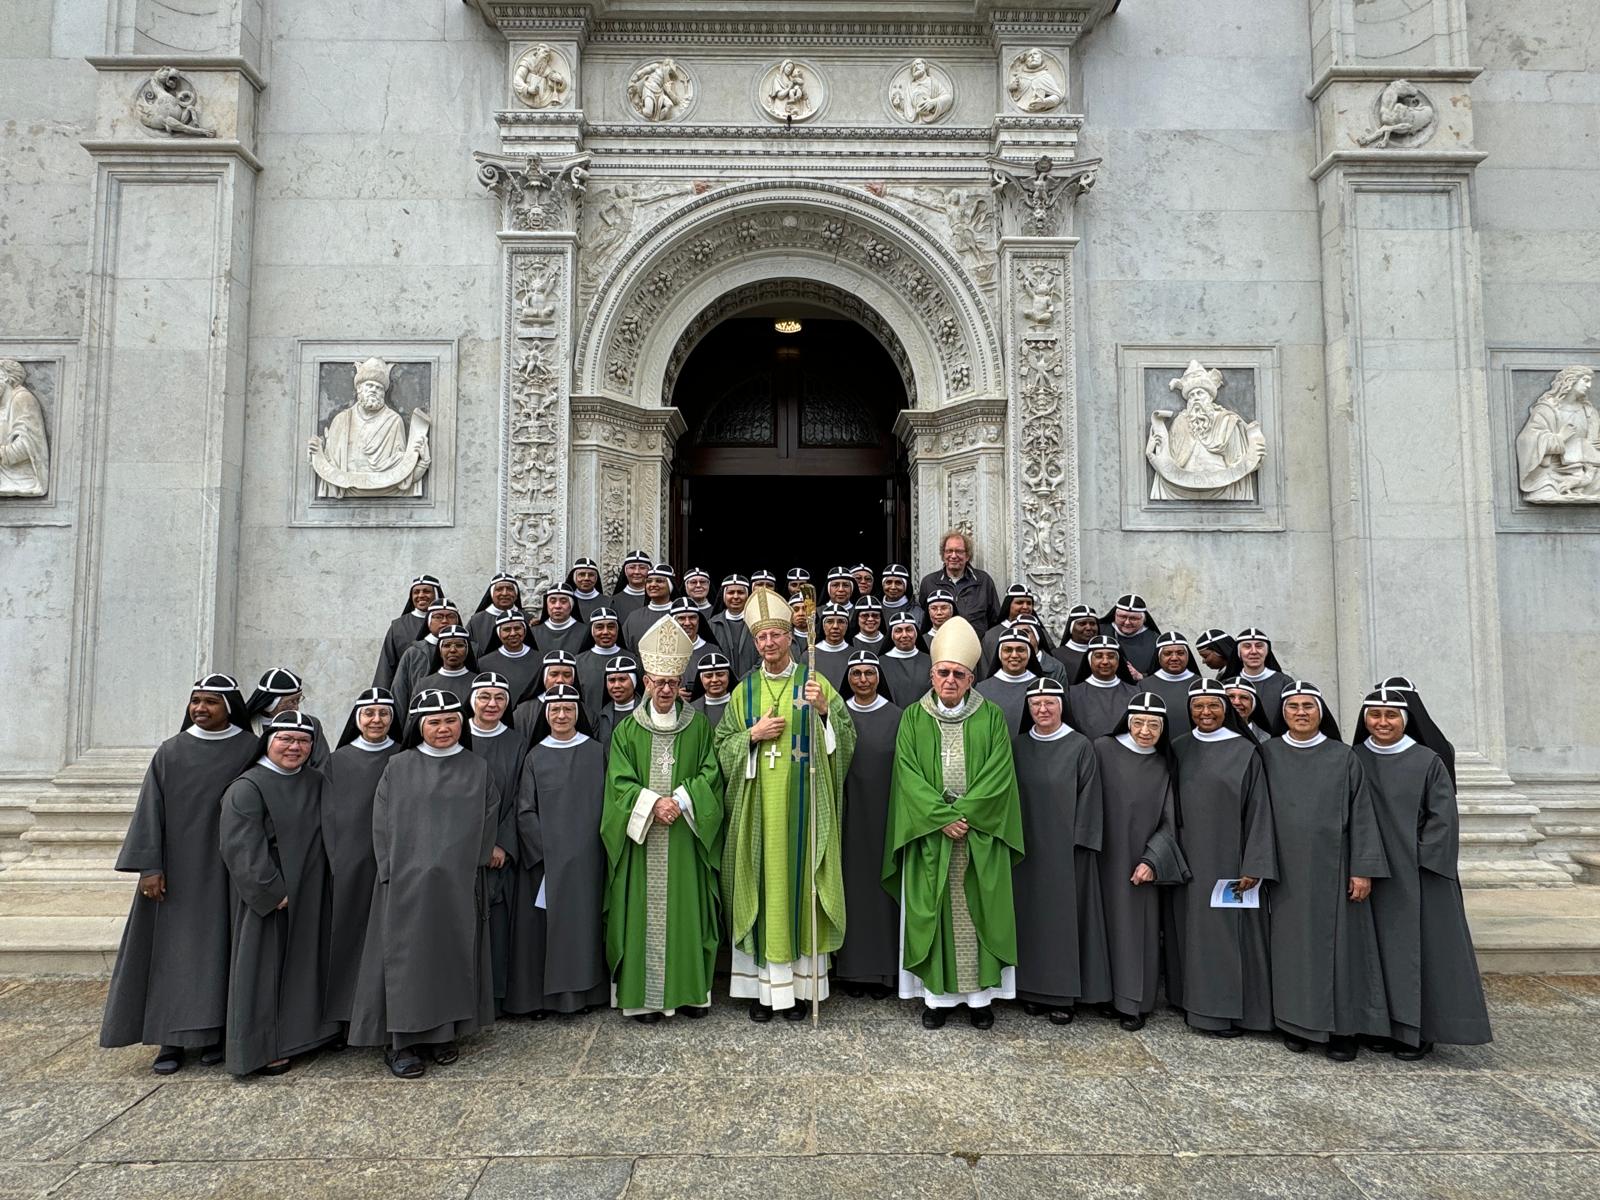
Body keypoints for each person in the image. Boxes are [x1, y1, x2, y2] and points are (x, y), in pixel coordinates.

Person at [100, 674, 257, 1074]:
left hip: (227, 869)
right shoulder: (171, 751)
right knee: (175, 954)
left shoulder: (249, 748)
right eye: (195, 701)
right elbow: (150, 811)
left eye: (210, 702)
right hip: (178, 872)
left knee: (222, 949)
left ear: (230, 707)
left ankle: (214, 1034)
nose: (201, 709)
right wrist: (150, 866)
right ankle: (170, 1039)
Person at [714, 586, 856, 1022]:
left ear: (790, 639)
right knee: (762, 889)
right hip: (759, 812)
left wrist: (827, 713)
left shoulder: (815, 684)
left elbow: (847, 742)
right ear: (755, 642)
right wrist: (751, 738)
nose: (769, 644)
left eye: (776, 636)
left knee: (800, 891)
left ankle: (799, 991)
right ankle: (765, 994)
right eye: (762, 638)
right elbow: (722, 748)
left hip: (804, 808)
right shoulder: (744, 692)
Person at [348, 690, 500, 1078]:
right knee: (406, 963)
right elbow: (381, 822)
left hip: (456, 882)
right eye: (433, 722)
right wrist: (390, 871)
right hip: (405, 882)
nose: (443, 728)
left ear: (460, 724)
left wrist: (472, 866)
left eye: (450, 721)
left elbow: (487, 818)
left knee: (450, 958)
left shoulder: (477, 767)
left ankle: (442, 1034)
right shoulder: (398, 766)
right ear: (419, 726)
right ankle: (401, 1043)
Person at [885, 617, 1022, 1029]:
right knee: (933, 910)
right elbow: (906, 774)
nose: (949, 680)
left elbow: (1000, 773)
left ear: (971, 678)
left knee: (980, 911)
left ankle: (980, 1001)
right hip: (930, 835)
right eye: (943, 672)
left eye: (957, 674)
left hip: (980, 836)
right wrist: (941, 818)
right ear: (932, 674)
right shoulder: (913, 717)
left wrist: (966, 815)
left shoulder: (992, 717)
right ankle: (936, 1000)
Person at [1354, 687, 1491, 1058]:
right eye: (1375, 715)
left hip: (1415, 874)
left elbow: (1442, 819)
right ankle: (1378, 1024)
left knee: (1419, 951)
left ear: (1406, 719)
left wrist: (1421, 862)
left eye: (1391, 716)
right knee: (1372, 951)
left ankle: (1418, 1030)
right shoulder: (1353, 759)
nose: (1382, 722)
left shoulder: (1426, 760)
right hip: (1364, 872)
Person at [602, 617, 726, 1021]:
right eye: (658, 682)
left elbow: (711, 772)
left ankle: (690, 993)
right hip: (644, 839)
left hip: (685, 837)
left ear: (681, 684)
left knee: (687, 913)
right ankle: (643, 999)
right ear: (645, 681)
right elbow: (619, 782)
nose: (666, 690)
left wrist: (682, 800)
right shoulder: (626, 731)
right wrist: (652, 804)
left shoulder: (699, 726)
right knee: (643, 914)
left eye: (672, 683)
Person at [1263, 682, 1390, 1061]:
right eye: (1293, 707)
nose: (1301, 713)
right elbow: (1255, 813)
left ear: (1321, 712)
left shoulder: (1344, 757)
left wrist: (1362, 870)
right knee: (1291, 950)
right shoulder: (1267, 753)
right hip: (1285, 870)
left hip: (1334, 870)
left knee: (1340, 952)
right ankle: (1294, 1023)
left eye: (1308, 706)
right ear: (1283, 713)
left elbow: (1363, 816)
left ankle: (1342, 1030)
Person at [219, 710, 339, 1076]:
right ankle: (262, 1048)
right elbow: (240, 847)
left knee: (307, 963)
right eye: (285, 740)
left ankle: (306, 1035)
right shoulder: (247, 787)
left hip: (312, 889)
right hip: (274, 895)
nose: (295, 747)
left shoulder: (316, 781)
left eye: (303, 741)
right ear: (268, 743)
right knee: (263, 970)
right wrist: (270, 891)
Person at [1167, 679, 1277, 1038]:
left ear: (1227, 709)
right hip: (1187, 860)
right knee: (1191, 936)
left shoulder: (1246, 751)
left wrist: (1255, 863)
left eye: (1213, 706)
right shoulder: (1180, 747)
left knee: (1229, 938)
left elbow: (1260, 810)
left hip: (1231, 863)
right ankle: (1192, 1005)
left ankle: (1230, 1012)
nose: (1205, 713)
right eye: (1198, 707)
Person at [506, 684, 610, 1017]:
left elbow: (611, 802)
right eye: (555, 710)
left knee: (587, 927)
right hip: (549, 862)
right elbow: (525, 810)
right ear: (546, 714)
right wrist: (546, 854)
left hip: (591, 858)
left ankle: (587, 996)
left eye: (568, 709)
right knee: (549, 932)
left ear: (577, 713)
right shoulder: (536, 756)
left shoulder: (597, 752)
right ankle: (551, 1000)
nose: (561, 715)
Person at [1011, 678, 1111, 1024]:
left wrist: (1080, 843)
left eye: (1049, 703)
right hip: (1025, 849)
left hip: (1067, 852)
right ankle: (1030, 989)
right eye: (1036, 704)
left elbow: (1090, 796)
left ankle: (1063, 995)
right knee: (1030, 919)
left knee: (1063, 923)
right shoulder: (1018, 745)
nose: (1042, 709)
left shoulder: (1080, 746)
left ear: (1062, 706)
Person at [1094, 694, 1189, 1030]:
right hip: (1100, 858)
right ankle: (1104, 995)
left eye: (1153, 725)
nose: (1145, 731)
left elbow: (1171, 819)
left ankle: (1134, 1003)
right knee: (1102, 928)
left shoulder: (1165, 764)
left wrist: (1152, 859)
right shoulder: (1102, 750)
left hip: (1138, 862)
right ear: (1127, 722)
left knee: (1137, 933)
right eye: (1138, 723)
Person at [322, 688, 401, 1032]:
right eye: (369, 714)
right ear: (357, 720)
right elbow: (324, 815)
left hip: (395, 859)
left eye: (384, 714)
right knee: (349, 934)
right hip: (350, 860)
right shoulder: (337, 761)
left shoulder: (403, 755)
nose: (377, 720)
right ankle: (344, 1015)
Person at [833, 651, 902, 998]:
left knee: (882, 890)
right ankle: (851, 971)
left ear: (879, 677)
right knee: (849, 889)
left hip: (886, 814)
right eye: (856, 674)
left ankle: (884, 971)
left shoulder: (898, 716)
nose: (863, 680)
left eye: (869, 674)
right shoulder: (835, 714)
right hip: (846, 815)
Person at [468, 672, 525, 1010]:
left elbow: (519, 796)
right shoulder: (458, 737)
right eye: (485, 696)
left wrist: (500, 843)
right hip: (460, 848)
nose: (492, 704)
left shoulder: (516, 742)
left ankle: (495, 996)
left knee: (498, 922)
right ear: (472, 699)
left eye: (499, 698)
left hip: (499, 852)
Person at [917, 530, 1001, 637]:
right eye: (949, 551)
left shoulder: (983, 581)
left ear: (967, 556)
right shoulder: (929, 582)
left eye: (959, 551)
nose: (953, 556)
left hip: (976, 649)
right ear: (943, 555)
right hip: (940, 648)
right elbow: (924, 621)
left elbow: (995, 620)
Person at [245, 667, 331, 769]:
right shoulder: (247, 727)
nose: (296, 707)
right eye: (291, 701)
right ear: (271, 703)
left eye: (298, 700)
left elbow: (323, 765)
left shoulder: (311, 725)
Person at [392, 598, 464, 713]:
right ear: (428, 621)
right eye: (438, 617)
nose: (445, 621)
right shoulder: (414, 653)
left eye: (450, 616)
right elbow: (400, 692)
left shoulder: (471, 650)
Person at [374, 574, 442, 687]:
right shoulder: (398, 626)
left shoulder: (448, 622)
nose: (421, 595)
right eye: (416, 592)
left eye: (426, 591)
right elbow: (386, 665)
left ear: (436, 594)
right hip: (408, 689)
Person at [1067, 635, 1139, 739]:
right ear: (1089, 660)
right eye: (1099, 656)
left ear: (1118, 661)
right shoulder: (1072, 694)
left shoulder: (1135, 692)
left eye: (1111, 656)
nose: (1105, 661)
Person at [975, 630, 1041, 732]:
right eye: (1008, 650)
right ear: (999, 654)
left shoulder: (1041, 688)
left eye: (1020, 650)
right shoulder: (982, 690)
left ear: (1029, 653)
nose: (1014, 655)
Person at [1231, 627, 1290, 735]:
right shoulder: (1228, 684)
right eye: (1247, 646)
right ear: (1239, 652)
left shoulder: (1284, 683)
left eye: (1259, 646)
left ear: (1267, 651)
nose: (1254, 651)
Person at [1141, 631, 1201, 737]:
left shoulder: (1200, 684)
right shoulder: (1143, 686)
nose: (1174, 658)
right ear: (1159, 657)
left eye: (1180, 653)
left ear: (1188, 656)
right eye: (1168, 654)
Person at [478, 608, 541, 703]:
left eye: (517, 628)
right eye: (507, 630)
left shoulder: (540, 660)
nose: (513, 633)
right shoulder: (483, 664)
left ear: (525, 630)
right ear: (498, 633)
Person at [511, 650, 578, 737]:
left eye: (567, 675)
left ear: (573, 679)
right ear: (544, 677)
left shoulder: (586, 713)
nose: (560, 680)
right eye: (554, 674)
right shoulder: (523, 712)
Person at [575, 607, 624, 723]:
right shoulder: (578, 662)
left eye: (611, 627)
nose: (606, 632)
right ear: (592, 631)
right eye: (599, 627)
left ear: (618, 630)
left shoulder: (632, 660)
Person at [1099, 594, 1160, 678]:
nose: (1127, 622)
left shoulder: (1155, 640)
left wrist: (1141, 676)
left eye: (1133, 618)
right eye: (1122, 617)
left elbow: (1162, 674)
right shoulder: (1099, 631)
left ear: (1144, 619)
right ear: (1115, 615)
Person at [412, 625, 478, 701]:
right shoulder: (423, 685)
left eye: (459, 645)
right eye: (447, 645)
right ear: (439, 650)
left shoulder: (478, 683)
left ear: (467, 651)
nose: (453, 650)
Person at [710, 574, 756, 679]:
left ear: (748, 595)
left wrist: (746, 678)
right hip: (721, 684)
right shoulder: (712, 625)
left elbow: (763, 656)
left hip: (752, 683)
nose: (735, 597)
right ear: (723, 595)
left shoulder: (758, 622)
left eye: (740, 592)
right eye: (731, 592)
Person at [621, 564, 677, 649]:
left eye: (659, 581)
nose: (653, 584)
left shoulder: (682, 616)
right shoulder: (634, 617)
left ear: (670, 585)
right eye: (649, 581)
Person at [881, 613, 931, 706]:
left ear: (916, 633)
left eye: (909, 630)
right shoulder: (881, 663)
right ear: (891, 635)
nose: (904, 635)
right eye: (898, 631)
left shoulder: (929, 661)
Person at [468, 572, 524, 656]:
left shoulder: (528, 619)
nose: (504, 593)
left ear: (516, 594)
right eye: (499, 589)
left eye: (509, 589)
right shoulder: (476, 621)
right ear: (491, 594)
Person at [596, 653, 640, 746]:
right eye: (612, 680)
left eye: (622, 679)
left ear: (634, 682)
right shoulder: (602, 717)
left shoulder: (647, 711)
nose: (616, 686)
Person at [532, 584, 585, 655]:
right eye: (553, 601)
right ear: (547, 605)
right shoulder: (533, 633)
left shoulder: (585, 632)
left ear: (571, 605)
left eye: (563, 602)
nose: (557, 606)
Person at [812, 601, 855, 690]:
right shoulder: (809, 655)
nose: (835, 626)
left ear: (847, 626)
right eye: (830, 621)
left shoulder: (855, 655)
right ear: (823, 626)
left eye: (841, 622)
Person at [1055, 603, 1102, 680]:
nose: (1089, 628)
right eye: (1082, 624)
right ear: (1071, 628)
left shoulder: (1106, 654)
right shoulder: (1056, 655)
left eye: (1092, 624)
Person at [1221, 676, 1273, 742]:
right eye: (1231, 696)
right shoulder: (1208, 733)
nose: (1237, 702)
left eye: (1244, 697)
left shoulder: (1265, 739)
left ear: (1253, 704)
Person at [608, 549, 653, 623]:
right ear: (625, 571)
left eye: (642, 568)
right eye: (632, 567)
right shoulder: (613, 602)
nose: (637, 572)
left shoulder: (658, 598)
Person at [689, 652, 733, 723]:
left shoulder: (740, 704)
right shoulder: (691, 710)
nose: (714, 680)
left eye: (720, 675)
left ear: (728, 676)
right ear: (701, 679)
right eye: (708, 676)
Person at [880, 563, 923, 630]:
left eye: (898, 583)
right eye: (889, 582)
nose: (893, 587)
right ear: (883, 585)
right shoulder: (875, 609)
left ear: (905, 586)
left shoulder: (917, 612)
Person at [565, 555, 607, 620]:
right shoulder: (564, 602)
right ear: (574, 577)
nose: (586, 578)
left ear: (596, 578)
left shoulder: (608, 602)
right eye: (582, 574)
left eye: (591, 575)